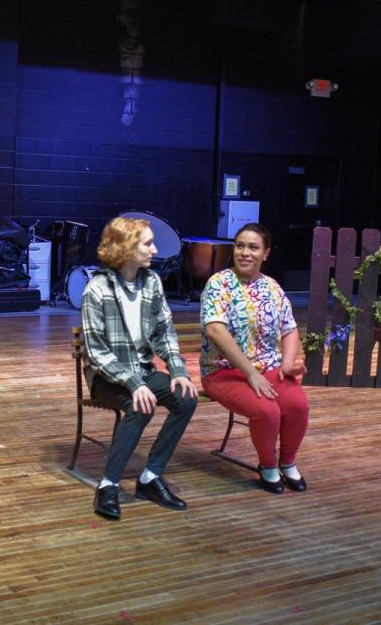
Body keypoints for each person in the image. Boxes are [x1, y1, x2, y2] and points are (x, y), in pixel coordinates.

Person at [81, 217, 199, 520]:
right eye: (147, 243)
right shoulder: (97, 289)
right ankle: (108, 485)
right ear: (125, 247)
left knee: (186, 398)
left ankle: (150, 477)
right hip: (108, 378)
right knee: (141, 406)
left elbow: (164, 332)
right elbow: (96, 353)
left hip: (143, 371)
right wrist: (134, 383)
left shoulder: (152, 282)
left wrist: (177, 370)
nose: (155, 249)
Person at [199, 223, 310, 494]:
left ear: (266, 253)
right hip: (223, 371)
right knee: (266, 411)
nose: (245, 253)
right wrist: (250, 373)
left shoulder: (272, 286)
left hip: (268, 367)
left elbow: (290, 328)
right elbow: (215, 329)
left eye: (253, 247)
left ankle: (288, 462)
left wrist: (287, 363)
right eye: (240, 246)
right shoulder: (219, 283)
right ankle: (268, 466)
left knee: (297, 405)